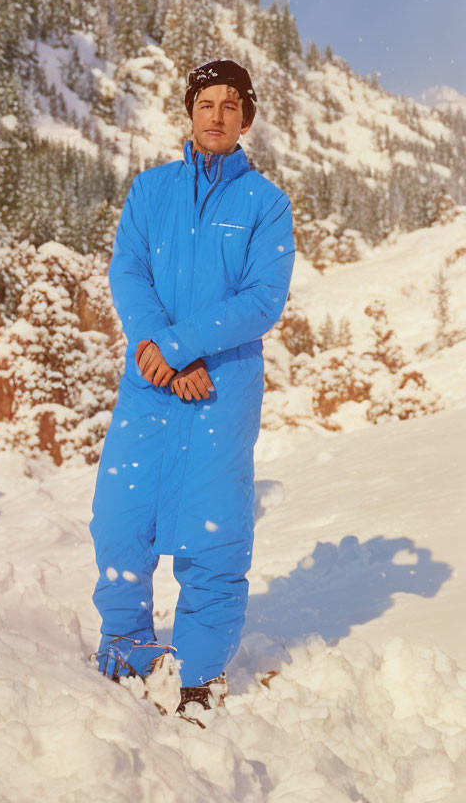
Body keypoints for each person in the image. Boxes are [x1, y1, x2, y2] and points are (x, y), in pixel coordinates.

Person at [88, 58, 296, 713]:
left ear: (246, 119)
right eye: (206, 102)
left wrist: (181, 347)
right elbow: (128, 276)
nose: (217, 115)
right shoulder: (150, 192)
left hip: (221, 384)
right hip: (150, 382)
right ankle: (124, 647)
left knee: (214, 529)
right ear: (189, 112)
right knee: (121, 518)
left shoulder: (266, 203)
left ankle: (199, 675)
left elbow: (263, 299)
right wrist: (159, 351)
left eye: (231, 105)